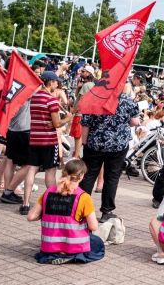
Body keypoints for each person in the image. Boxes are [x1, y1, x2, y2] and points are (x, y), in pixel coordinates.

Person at [15, 72, 74, 215]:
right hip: (49, 140)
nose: (58, 84)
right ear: (51, 82)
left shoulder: (34, 98)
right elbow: (57, 123)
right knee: (50, 172)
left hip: (34, 138)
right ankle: (52, 203)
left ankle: (25, 203)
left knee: (31, 170)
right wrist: (68, 118)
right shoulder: (51, 100)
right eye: (56, 82)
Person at [27, 159, 104, 265]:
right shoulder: (83, 197)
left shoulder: (48, 192)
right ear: (81, 176)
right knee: (97, 243)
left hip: (49, 247)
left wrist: (46, 214)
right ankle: (70, 256)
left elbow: (30, 217)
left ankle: (58, 255)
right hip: (75, 247)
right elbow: (93, 227)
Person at [78, 91, 140, 223]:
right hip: (118, 144)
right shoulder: (126, 100)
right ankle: (107, 210)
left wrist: (84, 142)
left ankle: (81, 207)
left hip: (95, 143)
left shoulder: (95, 97)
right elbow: (134, 121)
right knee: (112, 177)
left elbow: (85, 123)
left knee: (88, 176)